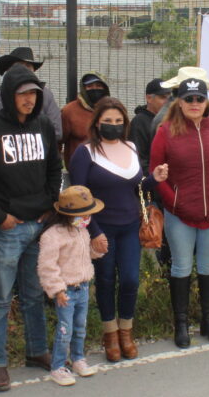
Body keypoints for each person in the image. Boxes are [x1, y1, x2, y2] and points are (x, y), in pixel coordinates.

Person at [0, 65, 62, 392]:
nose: (29, 100)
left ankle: (36, 351)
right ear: (9, 95)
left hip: (40, 223)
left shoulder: (45, 125)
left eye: (34, 93)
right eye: (23, 94)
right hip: (7, 229)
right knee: (1, 297)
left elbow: (55, 168)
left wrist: (51, 205)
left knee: (35, 293)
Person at [69, 97, 168, 362]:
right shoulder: (85, 152)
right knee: (105, 281)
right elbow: (79, 197)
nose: (113, 125)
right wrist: (95, 233)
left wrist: (153, 180)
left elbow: (136, 189)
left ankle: (126, 331)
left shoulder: (132, 147)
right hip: (101, 228)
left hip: (130, 226)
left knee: (130, 280)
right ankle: (109, 334)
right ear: (97, 123)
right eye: (108, 121)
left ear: (124, 123)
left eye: (118, 121)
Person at [150, 77, 209, 347]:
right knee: (180, 266)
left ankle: (208, 321)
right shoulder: (166, 131)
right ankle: (181, 325)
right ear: (178, 101)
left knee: (208, 266)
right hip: (180, 214)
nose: (194, 103)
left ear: (206, 101)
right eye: (188, 98)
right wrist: (172, 202)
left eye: (199, 98)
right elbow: (156, 173)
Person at [37, 186, 106, 386]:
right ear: (69, 215)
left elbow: (84, 255)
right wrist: (57, 290)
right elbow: (47, 266)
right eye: (83, 215)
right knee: (65, 329)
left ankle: (78, 358)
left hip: (83, 286)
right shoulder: (52, 235)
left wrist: (97, 250)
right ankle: (58, 366)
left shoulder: (81, 230)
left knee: (80, 326)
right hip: (66, 290)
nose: (87, 219)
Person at [0, 47, 62, 142]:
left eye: (28, 66)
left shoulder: (46, 94)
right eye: (18, 66)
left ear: (33, 70)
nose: (23, 70)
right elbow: (5, 131)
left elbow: (57, 132)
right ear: (8, 71)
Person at [61, 71, 111, 166]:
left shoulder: (112, 110)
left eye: (98, 86)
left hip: (108, 170)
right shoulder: (69, 111)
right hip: (79, 171)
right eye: (90, 86)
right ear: (83, 89)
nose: (94, 89)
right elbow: (57, 142)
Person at [130, 78, 171, 171]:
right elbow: (139, 158)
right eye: (163, 97)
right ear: (149, 98)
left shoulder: (172, 120)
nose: (167, 101)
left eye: (169, 97)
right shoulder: (139, 122)